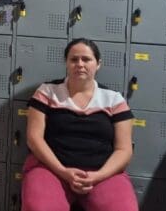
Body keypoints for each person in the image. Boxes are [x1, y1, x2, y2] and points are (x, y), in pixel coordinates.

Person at [21, 38, 137, 211]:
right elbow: (34, 138)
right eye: (74, 59)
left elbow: (124, 150)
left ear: (98, 64)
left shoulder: (113, 99)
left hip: (101, 172)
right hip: (51, 169)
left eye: (86, 59)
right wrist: (63, 172)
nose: (80, 64)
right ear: (66, 63)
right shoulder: (47, 92)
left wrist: (97, 176)